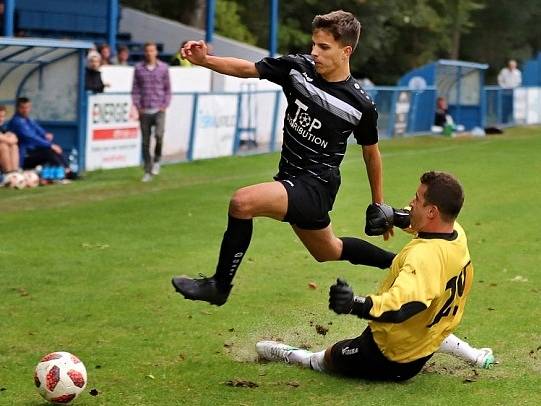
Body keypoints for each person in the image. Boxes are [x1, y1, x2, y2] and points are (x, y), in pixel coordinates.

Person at [172, 10, 396, 306]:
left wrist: (379, 203)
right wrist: (205, 61)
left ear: (346, 51)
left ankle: (219, 286)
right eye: (314, 44)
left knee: (242, 202)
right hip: (290, 178)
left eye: (324, 47)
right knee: (328, 250)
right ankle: (401, 264)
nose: (315, 52)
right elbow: (248, 69)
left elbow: (371, 153)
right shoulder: (297, 69)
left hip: (316, 186)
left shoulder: (361, 105)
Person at [256, 171, 495, 381]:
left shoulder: (424, 258)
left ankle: (293, 355)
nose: (412, 202)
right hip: (428, 337)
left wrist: (354, 304)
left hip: (391, 356)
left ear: (432, 211)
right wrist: (395, 216)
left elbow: (399, 309)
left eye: (417, 199)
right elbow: (422, 226)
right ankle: (475, 355)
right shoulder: (456, 233)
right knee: (427, 321)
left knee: (328, 357)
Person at [131, 41, 171, 182]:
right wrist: (137, 106)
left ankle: (157, 160)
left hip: (159, 109)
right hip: (144, 110)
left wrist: (164, 105)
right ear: (144, 52)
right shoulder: (138, 68)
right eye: (147, 50)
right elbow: (135, 89)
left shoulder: (163, 68)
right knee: (145, 142)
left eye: (152, 50)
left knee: (159, 136)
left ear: (156, 52)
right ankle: (147, 170)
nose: (150, 53)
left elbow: (167, 89)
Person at [8, 97, 71, 174]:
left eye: (27, 107)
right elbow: (31, 138)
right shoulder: (17, 122)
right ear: (17, 108)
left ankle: (67, 169)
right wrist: (50, 145)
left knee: (53, 150)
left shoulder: (28, 119)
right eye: (23, 108)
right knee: (49, 151)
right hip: (24, 156)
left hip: (33, 151)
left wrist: (45, 134)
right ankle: (65, 172)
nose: (25, 110)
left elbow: (38, 129)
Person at [0, 105, 20, 174]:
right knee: (3, 146)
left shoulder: (3, 127)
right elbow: (9, 140)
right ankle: (8, 173)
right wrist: (7, 138)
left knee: (14, 146)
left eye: (3, 116)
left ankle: (14, 172)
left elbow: (15, 139)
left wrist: (7, 137)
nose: (1, 119)